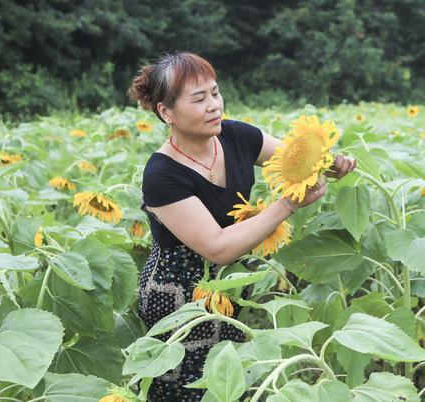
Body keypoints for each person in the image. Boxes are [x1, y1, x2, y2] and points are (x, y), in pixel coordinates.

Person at [128, 51, 356, 401]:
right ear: (165, 112)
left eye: (215, 93)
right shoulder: (162, 175)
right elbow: (218, 248)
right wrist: (288, 204)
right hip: (180, 294)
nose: (213, 106)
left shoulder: (237, 137)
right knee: (187, 387)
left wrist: (329, 164)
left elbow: (296, 159)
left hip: (231, 286)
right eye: (199, 98)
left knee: (228, 378)